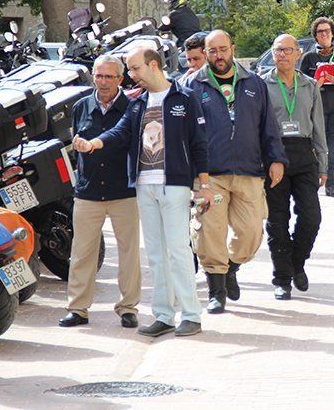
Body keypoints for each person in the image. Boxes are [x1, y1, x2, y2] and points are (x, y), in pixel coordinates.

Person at [72, 47, 212, 337]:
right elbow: (120, 132)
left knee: (178, 249)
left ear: (153, 65)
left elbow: (199, 143)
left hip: (174, 184)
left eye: (135, 69)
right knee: (157, 254)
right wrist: (93, 144)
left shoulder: (184, 98)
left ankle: (191, 314)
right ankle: (163, 315)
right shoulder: (138, 102)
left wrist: (205, 185)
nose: (132, 76)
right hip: (143, 185)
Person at [184, 30, 287, 314]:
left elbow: (269, 126)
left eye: (223, 49)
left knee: (251, 233)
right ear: (205, 53)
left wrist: (276, 158)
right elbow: (183, 133)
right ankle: (216, 289)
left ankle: (230, 268)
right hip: (209, 176)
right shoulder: (192, 85)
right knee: (210, 232)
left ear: (232, 49)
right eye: (212, 50)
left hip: (249, 170)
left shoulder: (253, 83)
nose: (218, 55)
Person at [60, 55, 141, 329]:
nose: (103, 82)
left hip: (124, 191)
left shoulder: (132, 107)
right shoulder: (82, 106)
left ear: (121, 79)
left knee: (129, 252)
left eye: (109, 76)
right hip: (88, 191)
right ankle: (78, 308)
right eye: (99, 76)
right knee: (82, 252)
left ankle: (128, 307)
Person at [262, 34, 327, 300]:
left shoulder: (309, 85)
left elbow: (319, 126)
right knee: (277, 221)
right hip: (274, 155)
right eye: (278, 50)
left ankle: (297, 262)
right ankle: (282, 278)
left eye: (288, 50)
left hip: (303, 154)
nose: (283, 55)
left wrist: (324, 165)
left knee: (311, 217)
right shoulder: (262, 84)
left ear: (298, 53)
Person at [300, 17, 334, 197]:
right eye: (320, 31)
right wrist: (317, 83)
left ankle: (333, 183)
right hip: (317, 108)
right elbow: (302, 84)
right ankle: (315, 178)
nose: (324, 34)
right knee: (316, 145)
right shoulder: (309, 58)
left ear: (332, 33)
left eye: (327, 31)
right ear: (315, 35)